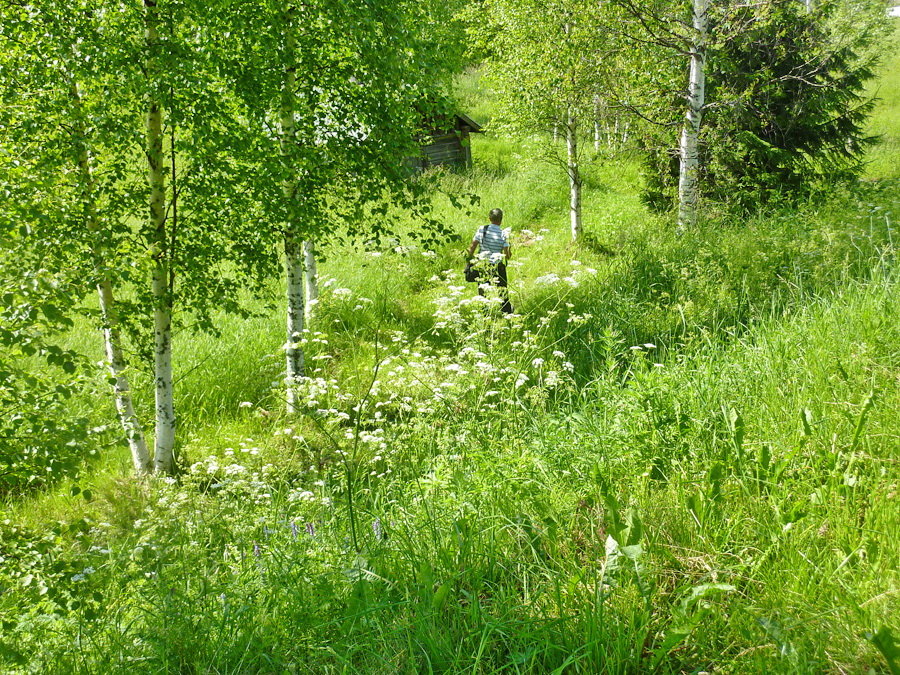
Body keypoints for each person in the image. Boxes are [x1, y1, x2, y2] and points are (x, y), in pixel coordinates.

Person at [466, 208, 513, 313]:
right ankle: (506, 311)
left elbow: (473, 246)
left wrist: (469, 259)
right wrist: (510, 250)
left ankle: (485, 311)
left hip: (484, 264)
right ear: (501, 220)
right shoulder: (503, 234)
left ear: (489, 218)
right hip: (497, 266)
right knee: (502, 290)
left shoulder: (483, 229)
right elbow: (507, 256)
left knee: (483, 289)